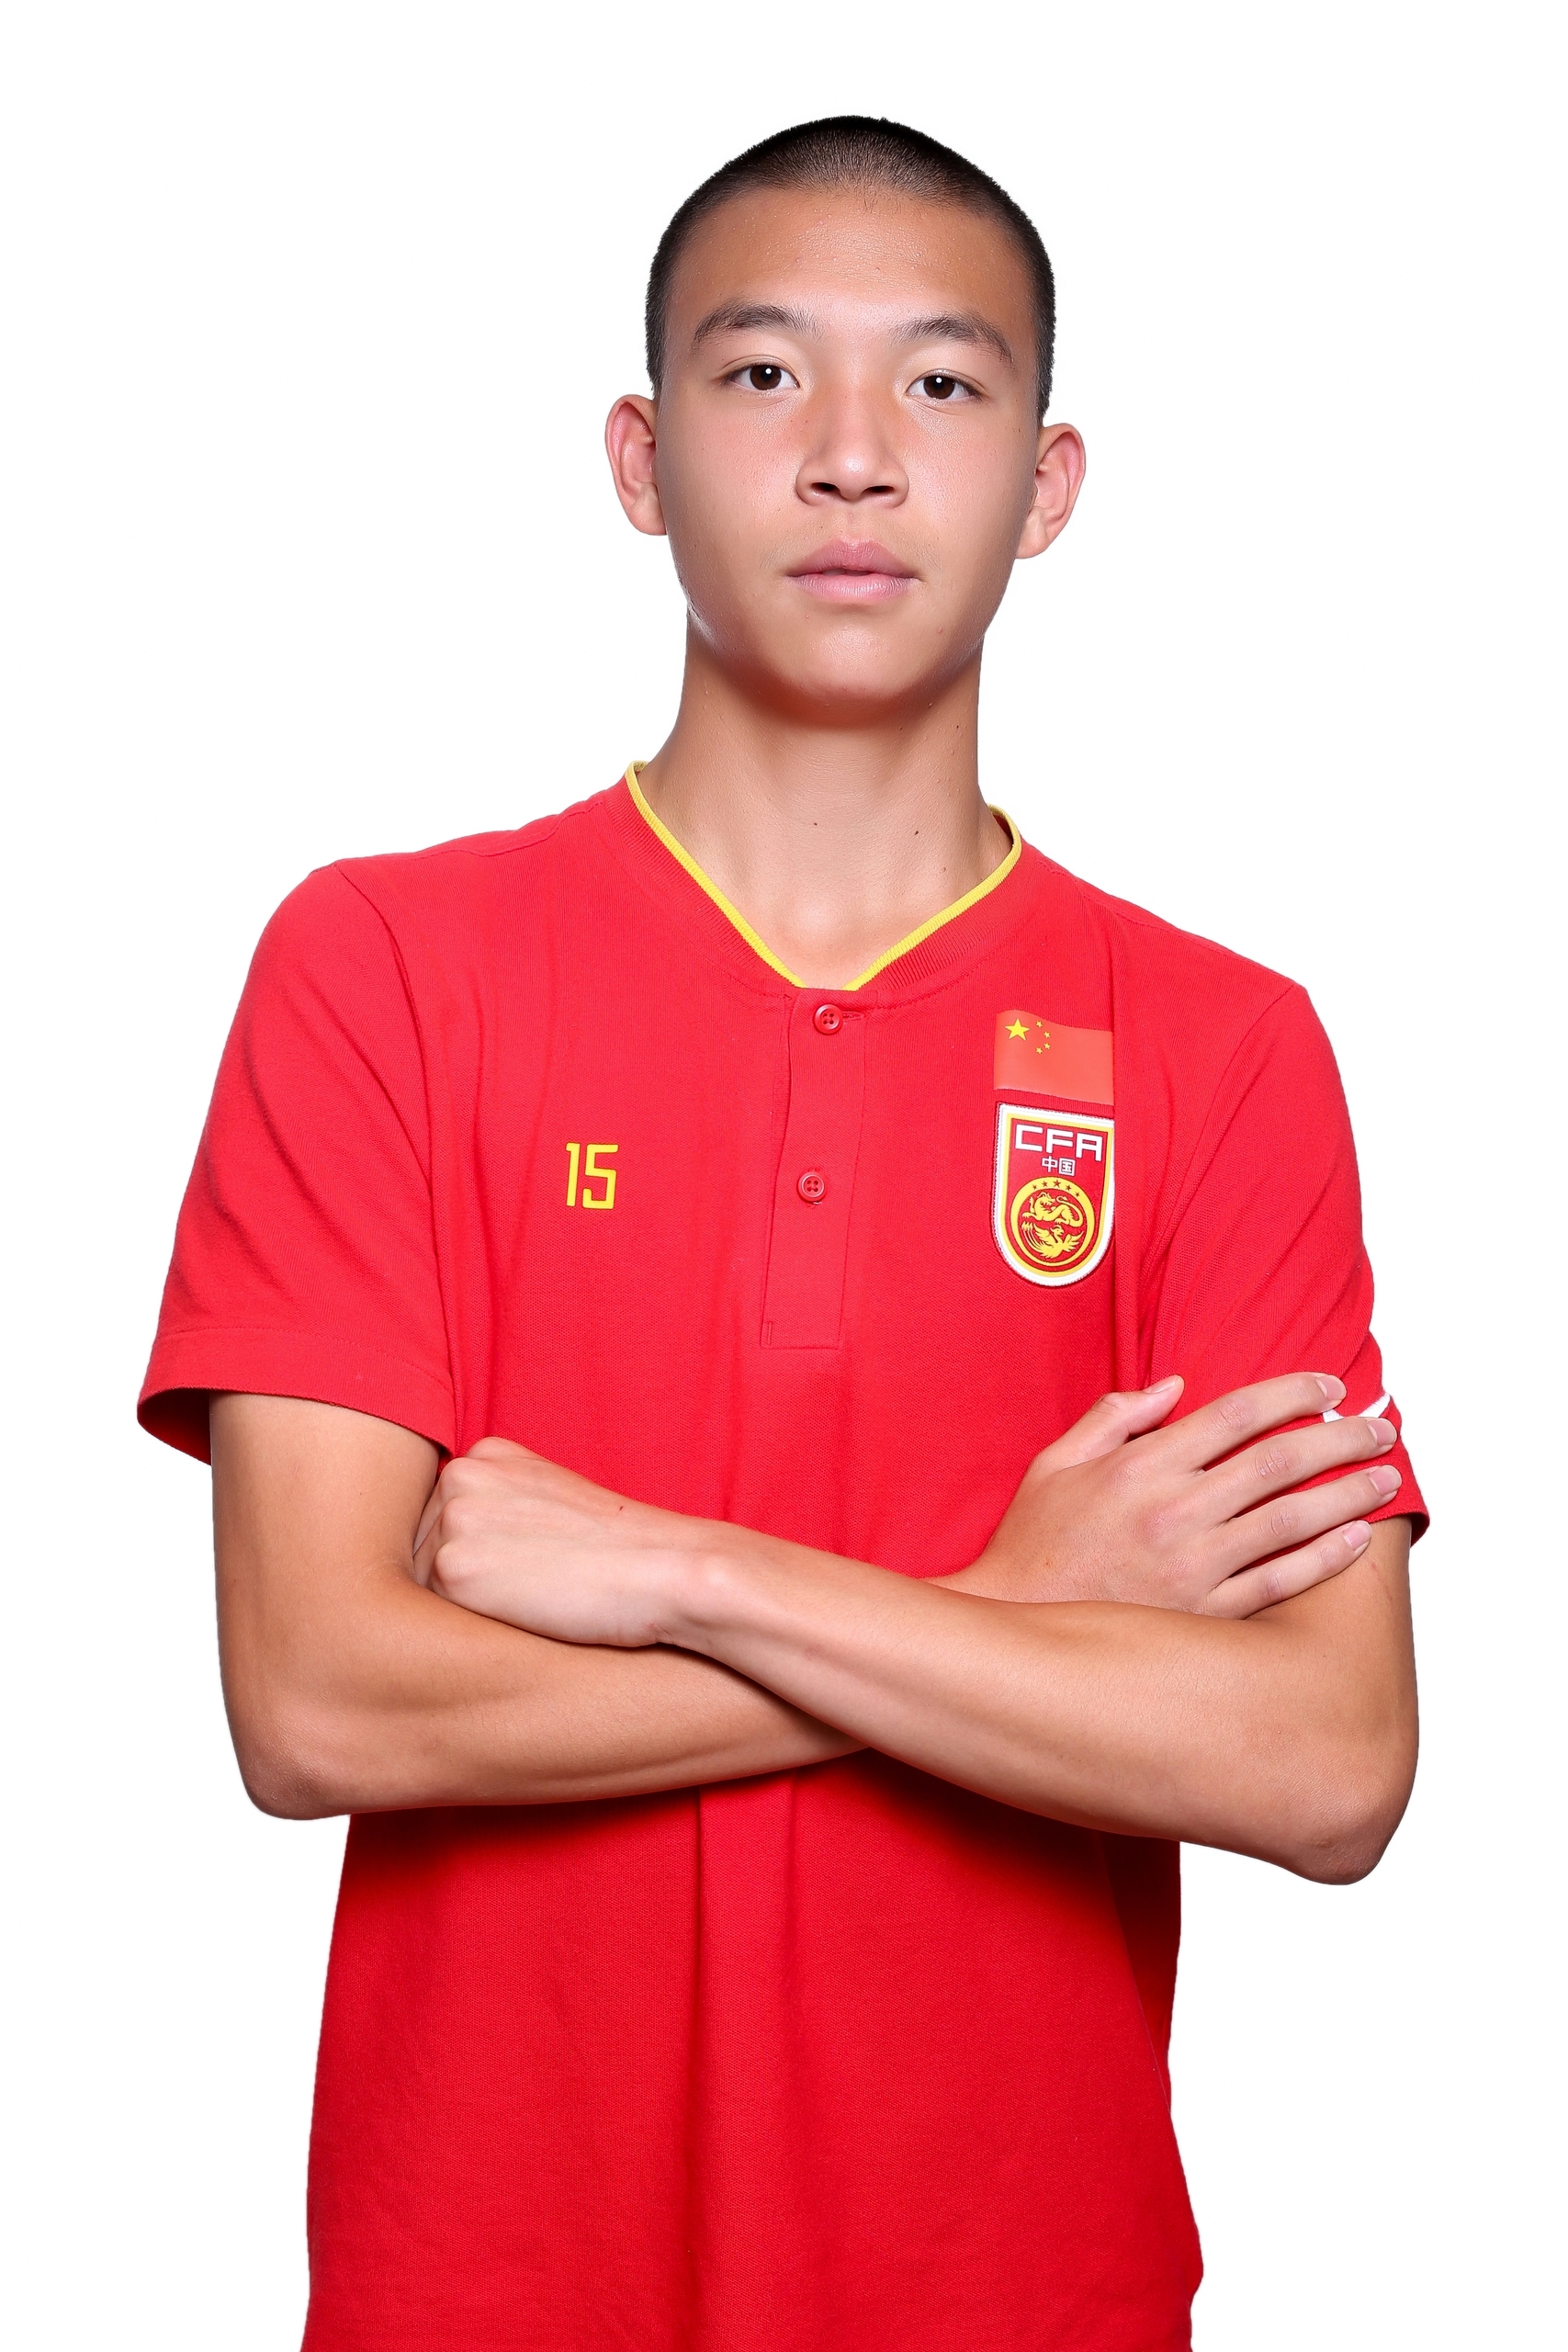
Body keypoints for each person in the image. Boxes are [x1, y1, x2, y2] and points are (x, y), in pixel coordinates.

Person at [140, 116, 1424, 2352]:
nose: (850, 453)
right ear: (639, 460)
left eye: (938, 382)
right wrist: (1004, 1616)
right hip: (484, 2287)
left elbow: (1319, 1763)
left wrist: (687, 1569)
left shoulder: (1219, 1046)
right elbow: (320, 1695)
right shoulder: (385, 967)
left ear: (1045, 483)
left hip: (1020, 2290)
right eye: (760, 375)